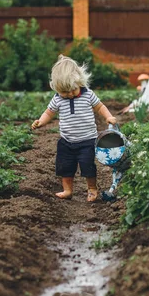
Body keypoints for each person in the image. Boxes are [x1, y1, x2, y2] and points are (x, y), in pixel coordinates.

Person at [31, 55, 117, 202]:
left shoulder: (88, 94)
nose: (70, 94)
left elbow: (100, 107)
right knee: (65, 167)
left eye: (73, 90)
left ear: (79, 82)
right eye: (65, 92)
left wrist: (108, 117)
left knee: (87, 165)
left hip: (87, 140)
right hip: (66, 141)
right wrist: (41, 121)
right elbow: (49, 112)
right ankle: (67, 190)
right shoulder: (58, 98)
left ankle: (91, 189)